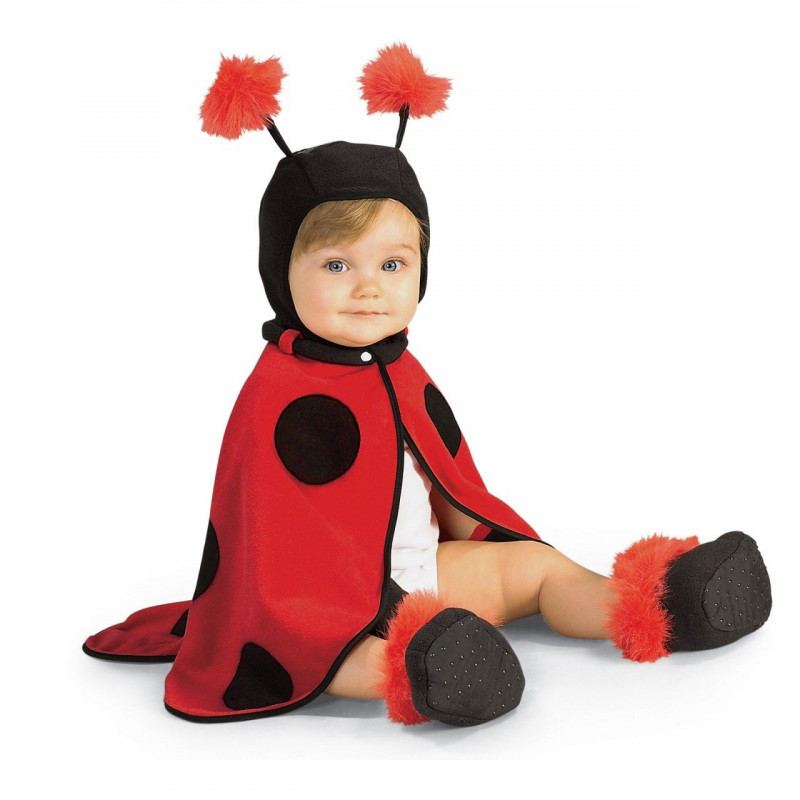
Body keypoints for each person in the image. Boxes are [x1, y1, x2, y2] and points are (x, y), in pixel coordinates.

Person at [82, 44, 772, 728]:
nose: (368, 288)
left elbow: (447, 480)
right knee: (334, 654)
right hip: (324, 611)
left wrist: (473, 550)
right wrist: (333, 613)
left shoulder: (399, 368)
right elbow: (264, 543)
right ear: (279, 273)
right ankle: (426, 669)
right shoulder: (276, 392)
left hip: (428, 576)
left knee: (535, 568)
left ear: (422, 267)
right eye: (336, 265)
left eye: (392, 264)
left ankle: (658, 604)